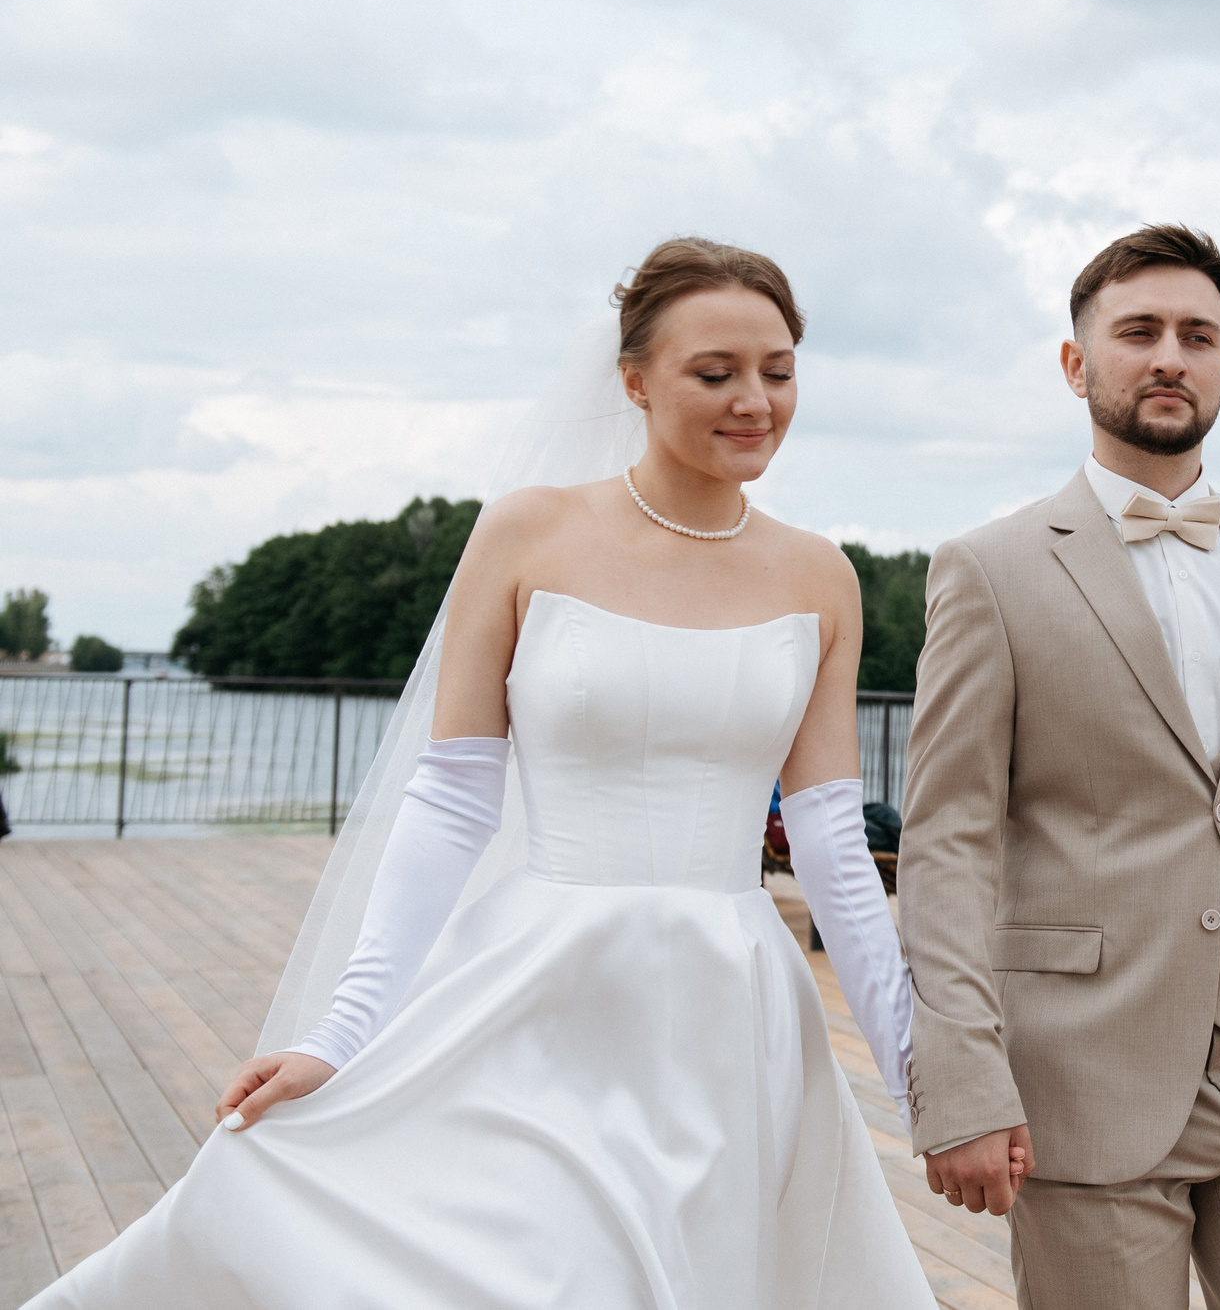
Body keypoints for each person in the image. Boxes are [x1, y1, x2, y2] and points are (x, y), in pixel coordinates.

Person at [32, 239, 959, 1310]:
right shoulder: (529, 533)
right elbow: (452, 795)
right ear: (634, 379)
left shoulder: (820, 574)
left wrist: (917, 1075)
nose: (755, 399)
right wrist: (338, 1033)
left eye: (779, 370)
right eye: (716, 372)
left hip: (728, 1009)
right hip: (537, 986)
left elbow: (835, 840)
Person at [901, 224, 1220, 1310]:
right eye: (1138, 331)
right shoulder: (990, 569)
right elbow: (947, 837)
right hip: (1085, 1078)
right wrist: (962, 1072)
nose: (1169, 354)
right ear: (1078, 364)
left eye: (1196, 333)